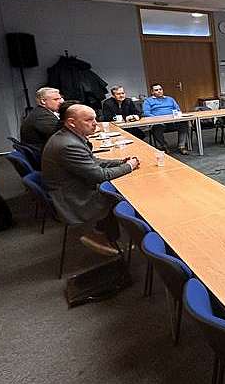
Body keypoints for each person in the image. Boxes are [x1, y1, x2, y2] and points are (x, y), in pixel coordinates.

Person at [42, 103, 140, 256]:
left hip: (74, 185)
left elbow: (92, 161)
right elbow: (100, 175)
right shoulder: (68, 145)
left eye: (94, 119)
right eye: (88, 120)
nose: (95, 123)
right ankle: (101, 235)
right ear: (71, 122)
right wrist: (129, 166)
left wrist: (120, 162)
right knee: (121, 195)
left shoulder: (68, 136)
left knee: (118, 188)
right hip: (73, 197)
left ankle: (106, 234)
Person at [142, 83, 190, 155]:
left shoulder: (170, 99)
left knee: (184, 123)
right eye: (156, 90)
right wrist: (158, 119)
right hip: (159, 123)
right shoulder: (148, 101)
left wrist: (175, 116)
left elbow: (177, 109)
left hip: (172, 121)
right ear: (152, 92)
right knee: (157, 127)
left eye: (160, 89)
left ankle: (181, 146)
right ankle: (164, 145)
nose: (159, 91)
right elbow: (146, 113)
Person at [20, 87, 64, 153]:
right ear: (43, 101)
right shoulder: (42, 116)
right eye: (56, 99)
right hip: (42, 154)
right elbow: (60, 136)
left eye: (60, 98)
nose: (61, 102)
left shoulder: (40, 112)